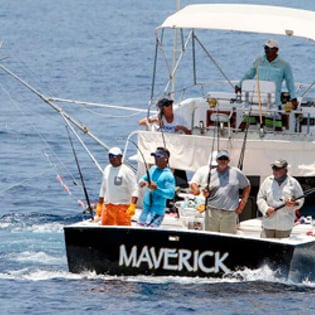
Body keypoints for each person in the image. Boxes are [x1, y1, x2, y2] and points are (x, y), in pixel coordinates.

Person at [235, 39, 298, 110]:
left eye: (269, 48)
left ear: (276, 50)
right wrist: (239, 85)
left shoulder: (284, 64)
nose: (267, 50)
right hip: (258, 100)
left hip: (274, 103)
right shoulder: (258, 60)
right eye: (265, 48)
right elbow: (249, 75)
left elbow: (290, 82)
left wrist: (293, 98)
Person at [203, 150, 251, 234]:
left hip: (229, 213)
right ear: (217, 160)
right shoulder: (211, 174)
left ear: (228, 161)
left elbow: (247, 186)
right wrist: (205, 192)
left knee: (227, 242)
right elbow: (205, 190)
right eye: (220, 158)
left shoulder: (236, 172)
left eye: (225, 158)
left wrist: (243, 202)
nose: (223, 161)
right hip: (212, 212)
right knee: (210, 240)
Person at [257, 159, 304, 238]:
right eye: (274, 168)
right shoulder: (267, 181)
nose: (275, 171)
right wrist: (266, 209)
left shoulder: (293, 182)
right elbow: (260, 198)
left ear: (285, 170)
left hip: (285, 226)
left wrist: (293, 203)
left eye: (278, 169)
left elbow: (301, 200)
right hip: (268, 224)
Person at [96, 147, 139, 226]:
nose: (112, 159)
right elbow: (103, 188)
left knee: (123, 232)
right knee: (106, 231)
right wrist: (99, 204)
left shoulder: (127, 171)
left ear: (120, 157)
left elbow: (135, 190)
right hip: (108, 206)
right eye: (110, 156)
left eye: (114, 156)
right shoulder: (107, 169)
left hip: (122, 207)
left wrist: (133, 205)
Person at [138, 147, 176, 227]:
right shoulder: (153, 168)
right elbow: (142, 178)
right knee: (139, 235)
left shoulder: (168, 175)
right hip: (145, 210)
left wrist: (157, 189)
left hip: (157, 212)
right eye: (154, 156)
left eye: (158, 156)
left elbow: (170, 194)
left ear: (166, 158)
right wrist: (142, 182)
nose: (155, 158)